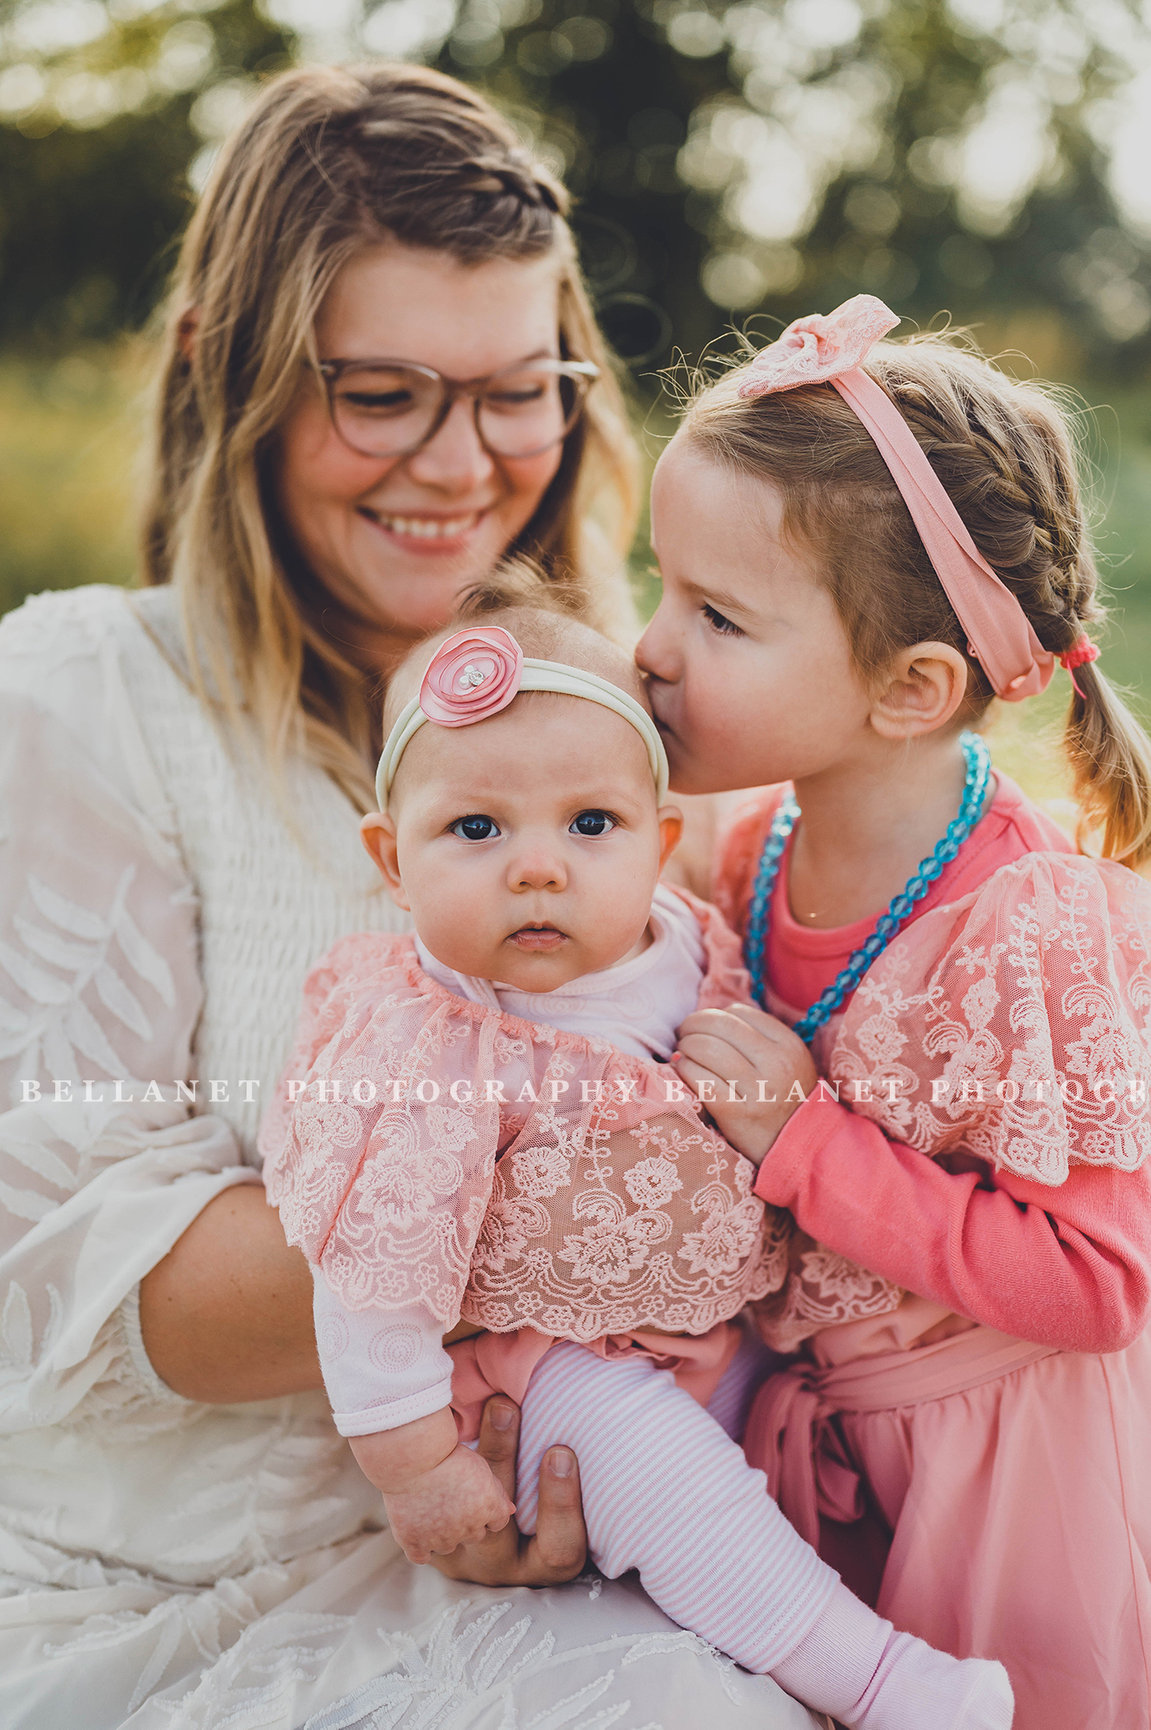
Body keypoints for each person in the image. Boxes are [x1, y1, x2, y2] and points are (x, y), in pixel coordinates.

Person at [0, 63, 823, 1730]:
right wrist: (652, 1214)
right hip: (173, 1576)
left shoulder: (622, 707)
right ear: (224, 378)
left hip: (610, 1528)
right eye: (379, 393)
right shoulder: (86, 695)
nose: (463, 467)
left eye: (522, 390)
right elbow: (70, 1260)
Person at [260, 600, 1015, 1730]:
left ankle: (845, 1613)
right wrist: (417, 1468)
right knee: (673, 1484)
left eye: (589, 823)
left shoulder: (681, 945)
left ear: (659, 844)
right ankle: (877, 1683)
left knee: (779, 1450)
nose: (537, 869)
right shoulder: (424, 1037)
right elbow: (368, 1267)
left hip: (698, 1331)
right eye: (474, 829)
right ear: (391, 860)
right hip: (531, 1374)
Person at [635, 293, 1151, 1729]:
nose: (649, 645)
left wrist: (803, 1144)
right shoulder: (746, 852)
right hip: (814, 1446)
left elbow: (1094, 1284)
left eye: (716, 615)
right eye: (657, 585)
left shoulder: (1020, 925)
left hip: (1004, 1478)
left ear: (910, 689)